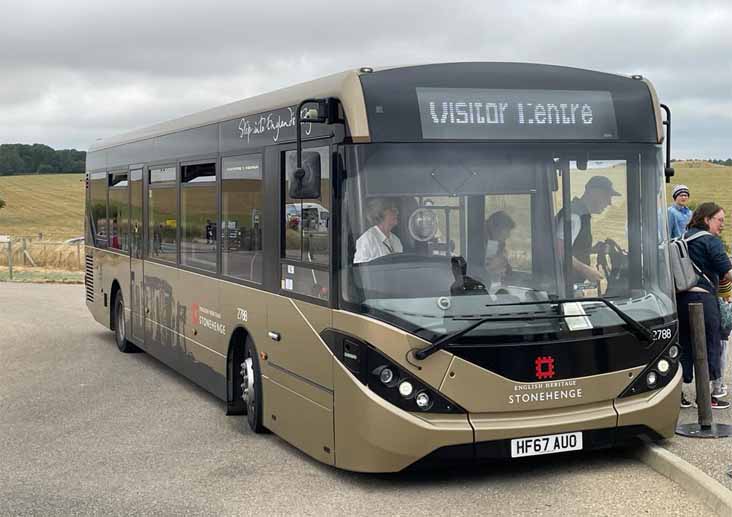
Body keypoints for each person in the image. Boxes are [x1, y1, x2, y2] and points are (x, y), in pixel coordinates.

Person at [677, 202, 732, 409]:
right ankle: (706, 398)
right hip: (703, 300)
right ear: (707, 219)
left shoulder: (683, 238)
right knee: (710, 345)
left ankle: (678, 393)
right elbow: (727, 272)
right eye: (719, 220)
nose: (722, 225)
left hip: (681, 299)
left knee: (683, 345)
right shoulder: (710, 241)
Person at [555, 175, 620, 284]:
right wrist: (586, 270)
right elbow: (559, 250)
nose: (609, 203)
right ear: (593, 192)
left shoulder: (580, 214)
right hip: (563, 286)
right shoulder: (574, 216)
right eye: (606, 196)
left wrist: (590, 250)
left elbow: (570, 249)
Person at [354, 198, 403, 264]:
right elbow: (361, 269)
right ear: (379, 214)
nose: (397, 212)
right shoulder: (366, 240)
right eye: (392, 210)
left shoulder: (396, 240)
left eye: (396, 209)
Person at [484, 210, 515, 283]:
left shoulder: (496, 241)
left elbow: (503, 265)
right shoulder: (478, 242)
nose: (508, 235)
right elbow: (487, 267)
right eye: (507, 231)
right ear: (497, 229)